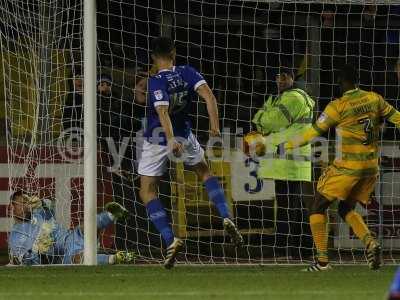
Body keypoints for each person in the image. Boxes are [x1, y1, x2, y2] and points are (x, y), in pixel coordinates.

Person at [138, 36, 243, 269]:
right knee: (205, 173)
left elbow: (162, 112)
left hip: (158, 139)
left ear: (154, 58)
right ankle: (226, 215)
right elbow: (209, 97)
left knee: (147, 190)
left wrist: (170, 138)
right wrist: (214, 127)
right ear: (174, 53)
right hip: (186, 136)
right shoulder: (187, 72)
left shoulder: (155, 81)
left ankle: (170, 239)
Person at [282, 64, 400, 271]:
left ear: (340, 82)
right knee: (346, 208)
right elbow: (397, 118)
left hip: (348, 167)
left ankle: (322, 262)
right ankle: (371, 243)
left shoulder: (338, 106)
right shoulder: (374, 98)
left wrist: (286, 145)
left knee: (317, 206)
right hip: (371, 167)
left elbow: (312, 133)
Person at [251, 66, 315, 258]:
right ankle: (303, 248)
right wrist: (264, 118)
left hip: (291, 159)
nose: (280, 80)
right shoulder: (276, 98)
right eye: (278, 76)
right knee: (292, 204)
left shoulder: (294, 97)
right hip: (284, 161)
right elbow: (257, 119)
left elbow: (271, 122)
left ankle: (286, 247)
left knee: (290, 204)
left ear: (292, 78)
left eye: (285, 76)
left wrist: (264, 118)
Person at [9, 191, 135, 265]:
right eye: (21, 203)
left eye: (27, 201)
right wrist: (38, 250)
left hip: (70, 238)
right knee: (77, 258)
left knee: (86, 225)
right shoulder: (15, 236)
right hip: (62, 257)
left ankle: (112, 214)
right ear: (12, 207)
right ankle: (116, 258)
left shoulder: (39, 212)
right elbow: (27, 261)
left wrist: (40, 202)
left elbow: (51, 204)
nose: (26, 205)